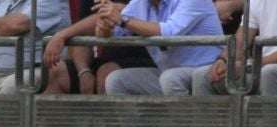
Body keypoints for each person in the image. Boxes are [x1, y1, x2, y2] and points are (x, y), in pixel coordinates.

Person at [92, 0, 224, 94]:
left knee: (170, 78)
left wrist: (121, 19)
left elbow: (169, 32)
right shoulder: (139, 3)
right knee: (115, 80)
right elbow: (114, 34)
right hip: (167, 72)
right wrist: (104, 27)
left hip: (208, 70)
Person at [192, 0, 277, 94]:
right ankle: (207, 121)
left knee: (268, 73)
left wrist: (248, 66)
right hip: (259, 66)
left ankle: (272, 121)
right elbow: (241, 40)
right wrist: (223, 60)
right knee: (202, 76)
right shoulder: (256, 1)